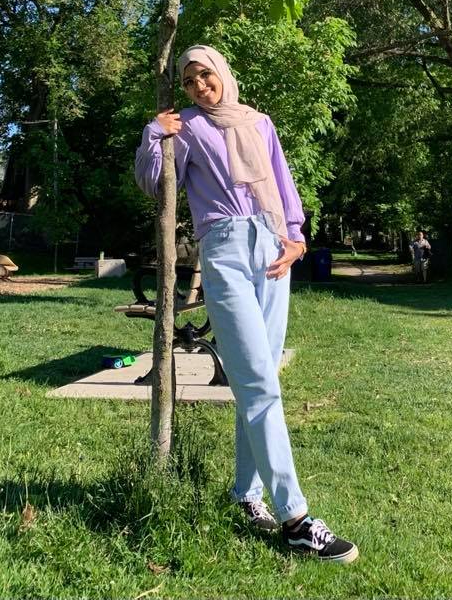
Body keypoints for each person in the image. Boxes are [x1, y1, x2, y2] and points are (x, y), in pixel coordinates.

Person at [135, 45, 358, 564]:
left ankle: (245, 493)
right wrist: (153, 133)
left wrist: (297, 237)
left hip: (274, 248)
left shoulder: (259, 122)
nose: (198, 86)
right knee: (256, 380)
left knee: (262, 380)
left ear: (222, 72)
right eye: (189, 80)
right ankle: (297, 519)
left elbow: (282, 183)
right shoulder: (185, 127)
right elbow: (153, 185)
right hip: (226, 250)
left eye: (204, 74)